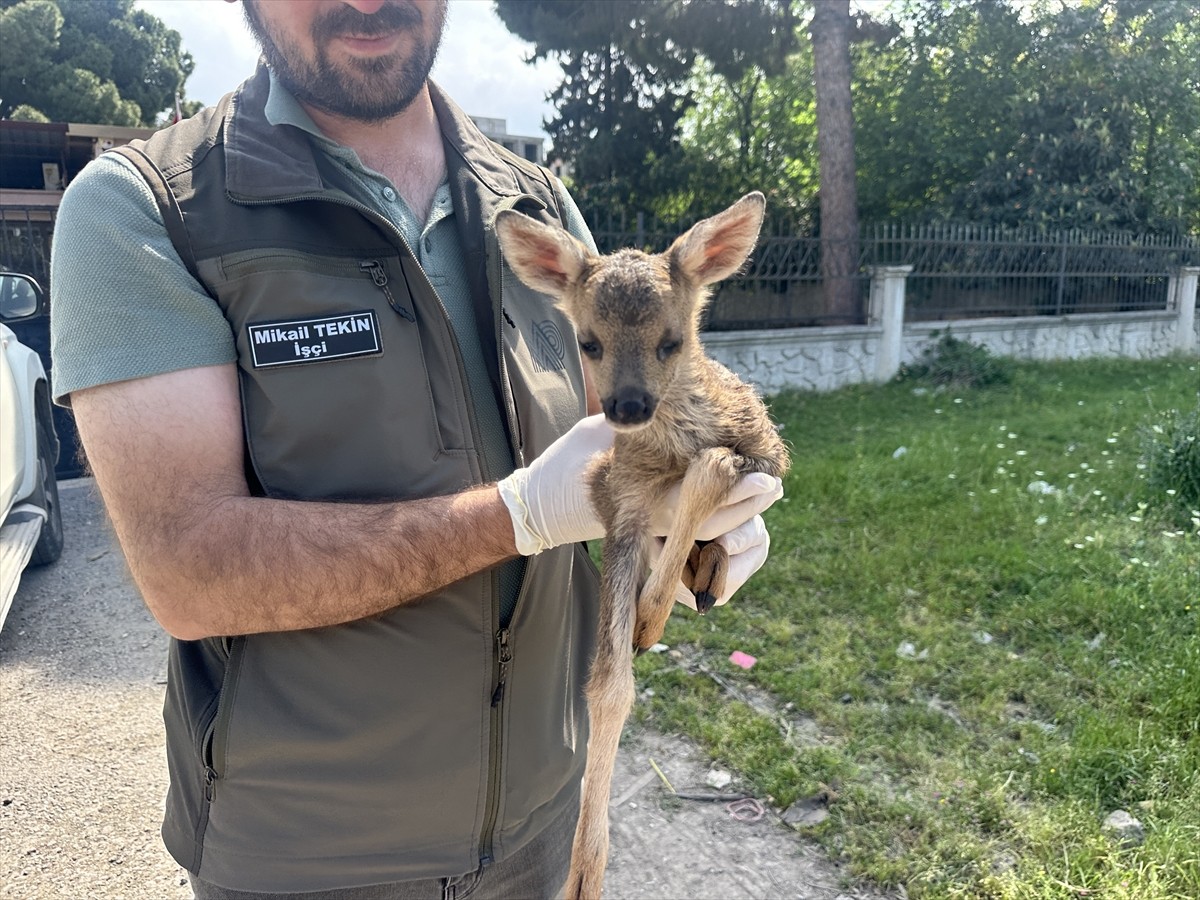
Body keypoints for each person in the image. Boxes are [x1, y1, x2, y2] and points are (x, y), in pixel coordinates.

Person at [49, 2, 783, 897]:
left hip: (542, 828)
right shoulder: (150, 210)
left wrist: (700, 517)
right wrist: (515, 517)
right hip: (315, 859)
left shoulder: (536, 207)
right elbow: (187, 570)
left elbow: (622, 420)